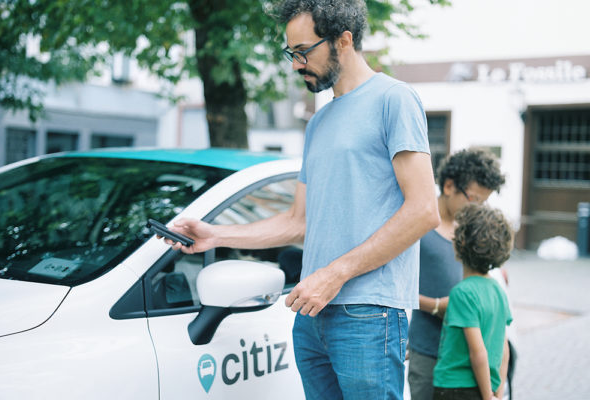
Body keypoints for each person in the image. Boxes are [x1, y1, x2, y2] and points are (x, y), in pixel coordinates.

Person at [164, 0, 439, 398]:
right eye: (290, 54)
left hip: (368, 314)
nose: (295, 65)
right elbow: (297, 221)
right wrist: (215, 235)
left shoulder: (394, 99)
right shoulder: (320, 121)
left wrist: (334, 274)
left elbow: (423, 211)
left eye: (302, 52)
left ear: (343, 40)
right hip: (311, 315)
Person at [408, 149, 506, 400]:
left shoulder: (472, 231)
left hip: (473, 357)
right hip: (429, 351)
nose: (478, 208)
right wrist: (437, 306)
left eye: (484, 202)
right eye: (474, 199)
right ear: (449, 186)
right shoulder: (417, 226)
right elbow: (396, 286)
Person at [432, 203, 513, 400]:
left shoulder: (462, 293)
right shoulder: (499, 291)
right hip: (489, 387)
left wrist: (486, 397)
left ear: (458, 244)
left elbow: (477, 352)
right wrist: (497, 392)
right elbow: (505, 350)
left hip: (454, 388)